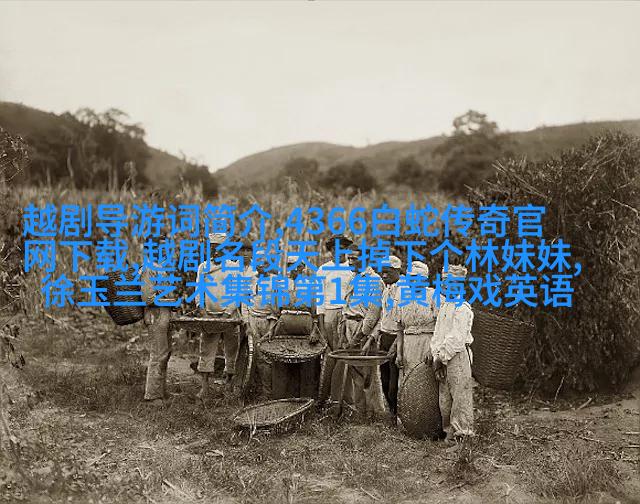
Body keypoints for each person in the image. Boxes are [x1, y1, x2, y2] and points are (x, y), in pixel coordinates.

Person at [335, 244, 388, 418]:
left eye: (354, 258)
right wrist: (343, 331)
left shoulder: (375, 281)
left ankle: (376, 414)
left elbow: (373, 314)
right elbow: (347, 306)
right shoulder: (354, 278)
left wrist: (359, 337)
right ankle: (360, 412)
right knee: (355, 372)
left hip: (363, 330)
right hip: (350, 326)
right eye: (348, 258)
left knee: (368, 374)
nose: (350, 261)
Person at [428, 265, 475, 443]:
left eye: (450, 282)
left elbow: (456, 338)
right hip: (443, 356)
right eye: (444, 282)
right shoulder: (445, 307)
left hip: (458, 356)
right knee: (445, 397)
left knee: (460, 397)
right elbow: (438, 335)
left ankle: (463, 434)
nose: (445, 286)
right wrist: (436, 355)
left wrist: (441, 357)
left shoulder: (462, 309)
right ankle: (449, 433)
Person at [194, 233, 241, 400]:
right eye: (213, 248)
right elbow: (199, 290)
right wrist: (202, 310)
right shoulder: (203, 267)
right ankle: (204, 388)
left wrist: (228, 313)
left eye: (219, 248)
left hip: (230, 316)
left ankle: (229, 384)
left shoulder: (234, 267)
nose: (216, 252)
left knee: (232, 350)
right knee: (206, 349)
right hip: (209, 316)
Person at [317, 234, 354, 402]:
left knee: (346, 355)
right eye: (335, 249)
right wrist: (322, 327)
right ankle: (326, 397)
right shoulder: (323, 269)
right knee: (331, 355)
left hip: (347, 314)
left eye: (343, 249)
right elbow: (320, 299)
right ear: (331, 250)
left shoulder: (352, 270)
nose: (339, 252)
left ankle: (345, 399)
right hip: (329, 314)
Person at [394, 261, 443, 384]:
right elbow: (400, 328)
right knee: (409, 383)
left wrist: (432, 350)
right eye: (410, 278)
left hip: (427, 343)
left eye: (416, 278)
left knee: (426, 383)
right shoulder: (402, 297)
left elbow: (441, 327)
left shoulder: (434, 296)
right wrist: (399, 353)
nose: (412, 282)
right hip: (409, 346)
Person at [140, 234, 175, 406]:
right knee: (158, 354)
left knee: (165, 354)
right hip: (156, 315)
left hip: (164, 315)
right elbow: (148, 298)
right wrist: (170, 300)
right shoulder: (149, 269)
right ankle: (152, 396)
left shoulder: (161, 268)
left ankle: (161, 391)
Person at [375, 255, 403, 416]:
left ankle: (399, 414)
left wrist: (396, 344)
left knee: (395, 382)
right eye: (382, 272)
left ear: (397, 271)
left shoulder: (403, 290)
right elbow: (384, 315)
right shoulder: (386, 289)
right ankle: (392, 413)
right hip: (385, 337)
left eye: (388, 272)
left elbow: (403, 322)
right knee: (384, 379)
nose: (384, 275)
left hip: (396, 338)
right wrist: (377, 334)